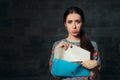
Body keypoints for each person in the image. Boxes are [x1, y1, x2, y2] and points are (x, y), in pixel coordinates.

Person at [49, 6, 101, 80]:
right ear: (65, 24)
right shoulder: (58, 45)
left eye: (77, 22)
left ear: (82, 23)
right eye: (70, 22)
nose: (74, 26)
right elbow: (55, 76)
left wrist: (95, 66)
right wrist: (58, 53)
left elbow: (94, 78)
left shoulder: (93, 45)